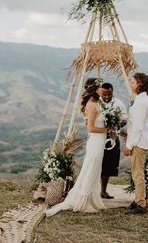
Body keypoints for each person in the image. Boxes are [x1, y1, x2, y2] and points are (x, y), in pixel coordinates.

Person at [46, 78, 107, 215]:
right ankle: (82, 202)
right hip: (96, 140)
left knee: (95, 169)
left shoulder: (98, 102)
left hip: (100, 140)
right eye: (100, 87)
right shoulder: (91, 105)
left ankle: (90, 198)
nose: (102, 89)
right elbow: (91, 128)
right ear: (94, 89)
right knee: (90, 169)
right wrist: (108, 130)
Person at [124, 72, 148, 214]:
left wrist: (129, 145)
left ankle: (141, 204)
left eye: (133, 82)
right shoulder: (142, 100)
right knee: (137, 173)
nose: (131, 84)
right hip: (139, 140)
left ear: (139, 84)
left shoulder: (141, 102)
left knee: (137, 174)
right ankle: (138, 200)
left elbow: (138, 127)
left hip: (138, 142)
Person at [100, 83, 127, 199]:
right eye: (104, 94)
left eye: (109, 94)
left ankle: (103, 191)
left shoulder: (119, 103)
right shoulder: (97, 103)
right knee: (96, 164)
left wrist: (116, 125)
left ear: (112, 92)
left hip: (113, 138)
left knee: (108, 165)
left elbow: (125, 118)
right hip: (99, 137)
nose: (106, 97)